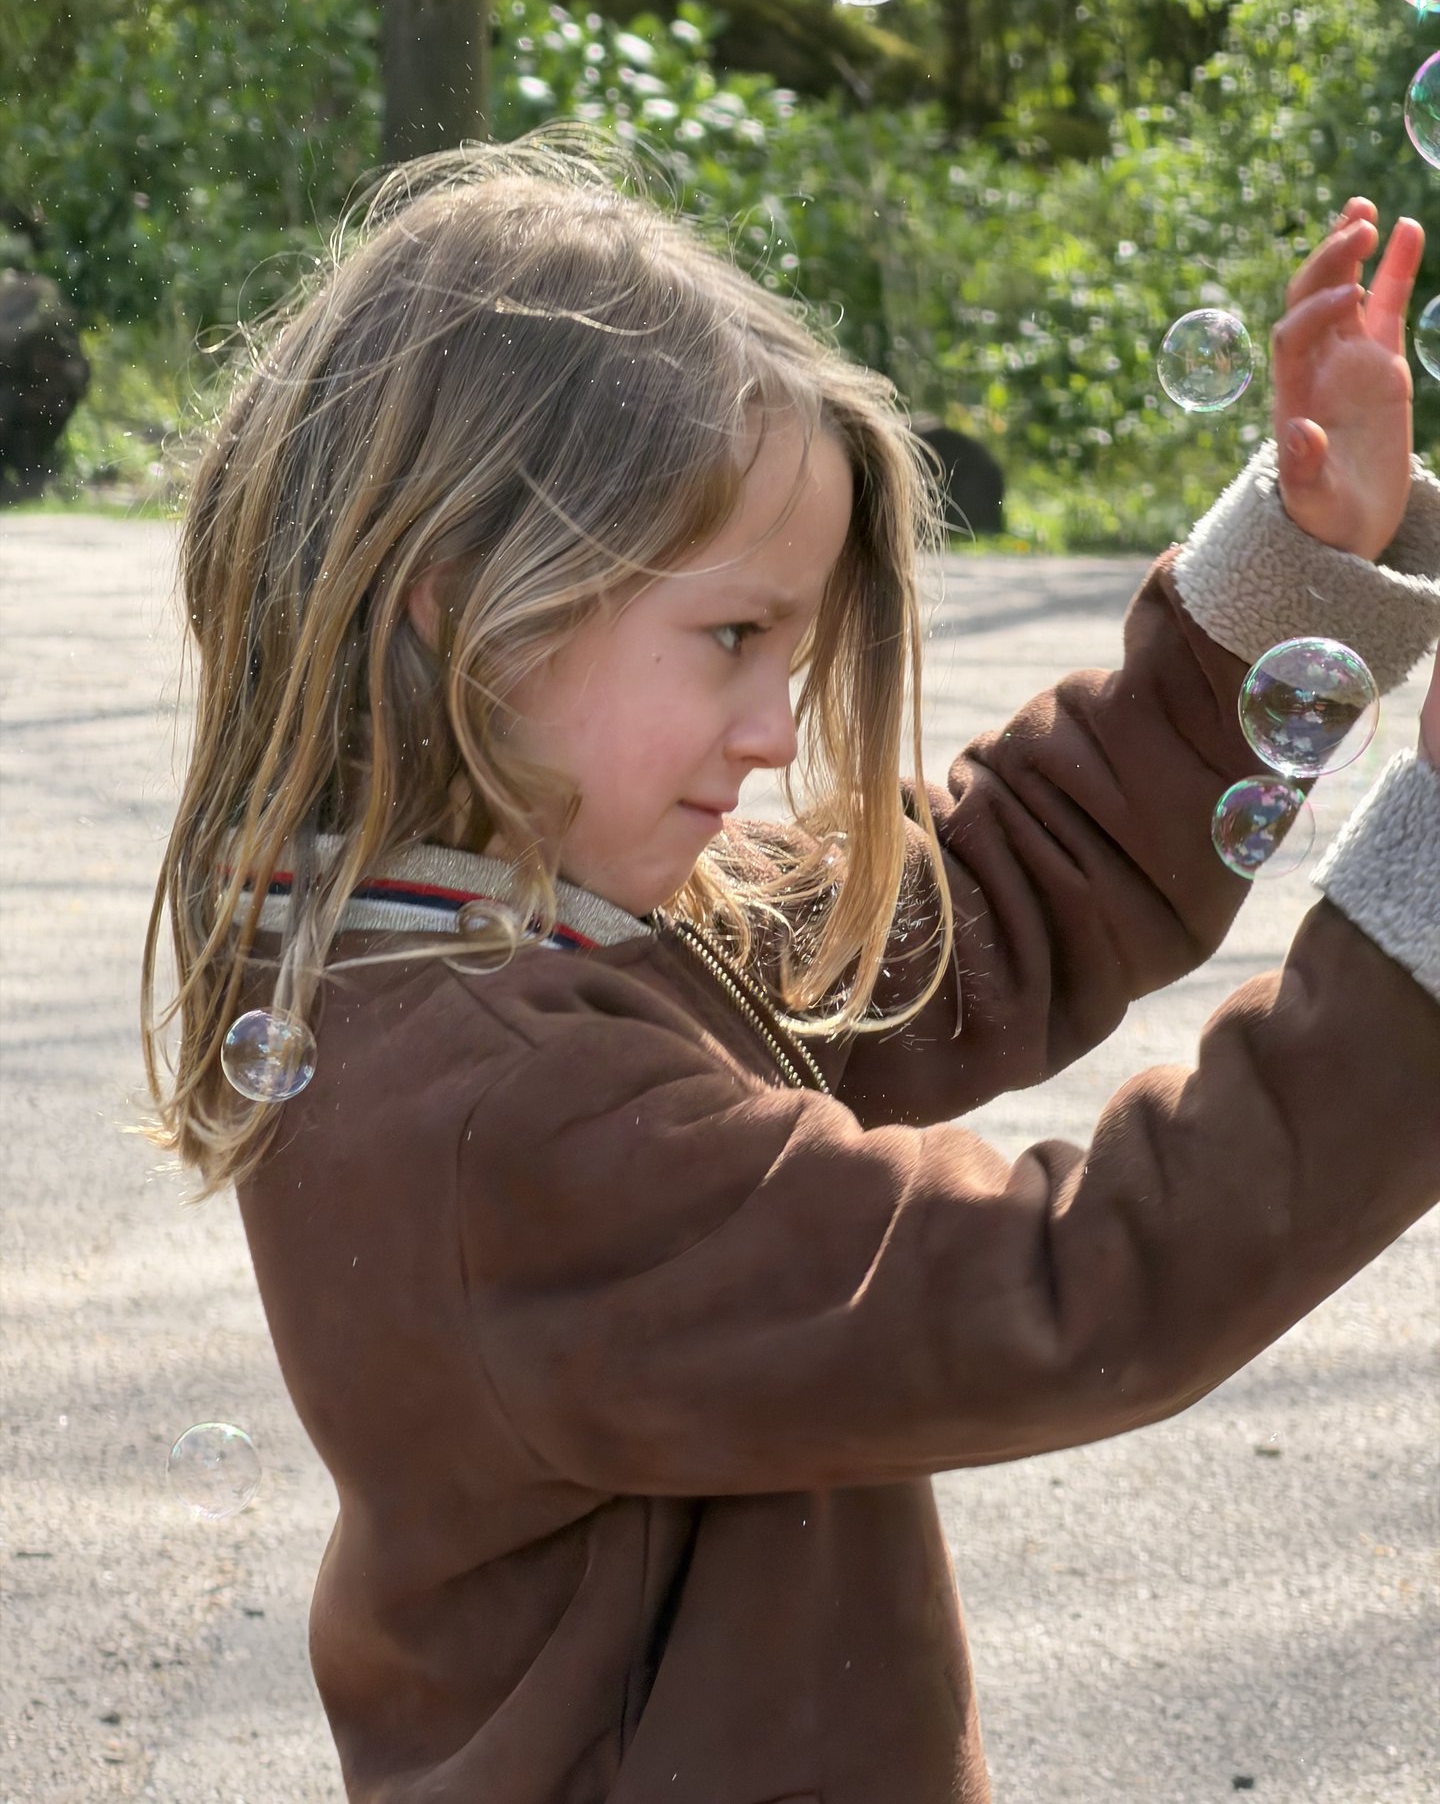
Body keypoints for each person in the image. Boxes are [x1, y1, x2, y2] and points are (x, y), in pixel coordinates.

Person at [139, 132, 1439, 1804]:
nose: (774, 732)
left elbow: (988, 895)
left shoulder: (516, 923)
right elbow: (1083, 1276)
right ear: (464, 606)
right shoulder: (515, 1116)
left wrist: (1300, 573)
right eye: (733, 639)